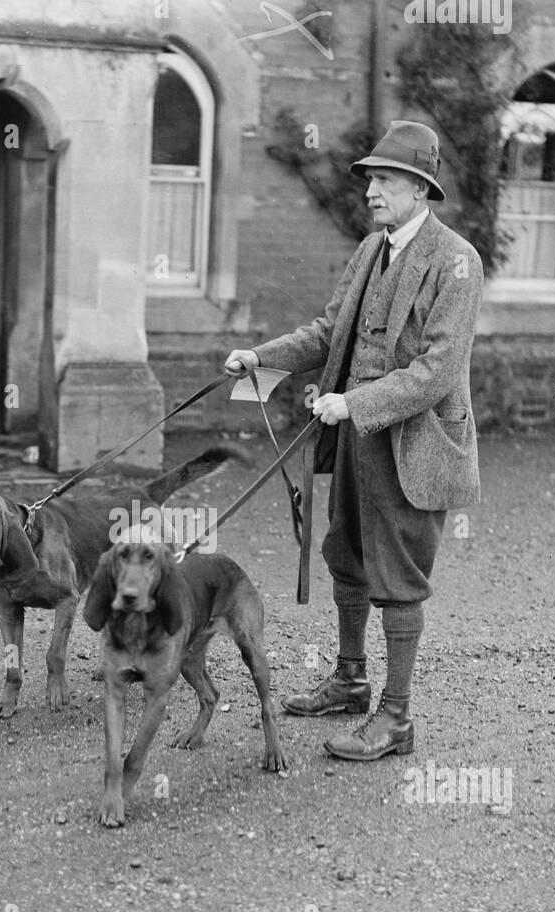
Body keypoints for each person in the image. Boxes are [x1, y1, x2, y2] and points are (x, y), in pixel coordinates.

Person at [224, 120, 483, 761]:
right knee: (347, 555)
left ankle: (395, 717)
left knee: (398, 575)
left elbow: (436, 371)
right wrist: (261, 357)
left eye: (386, 179)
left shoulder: (457, 262)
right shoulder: (372, 249)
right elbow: (327, 331)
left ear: (420, 188)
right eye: (369, 179)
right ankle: (350, 678)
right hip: (354, 437)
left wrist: (354, 401)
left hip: (415, 444)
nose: (371, 191)